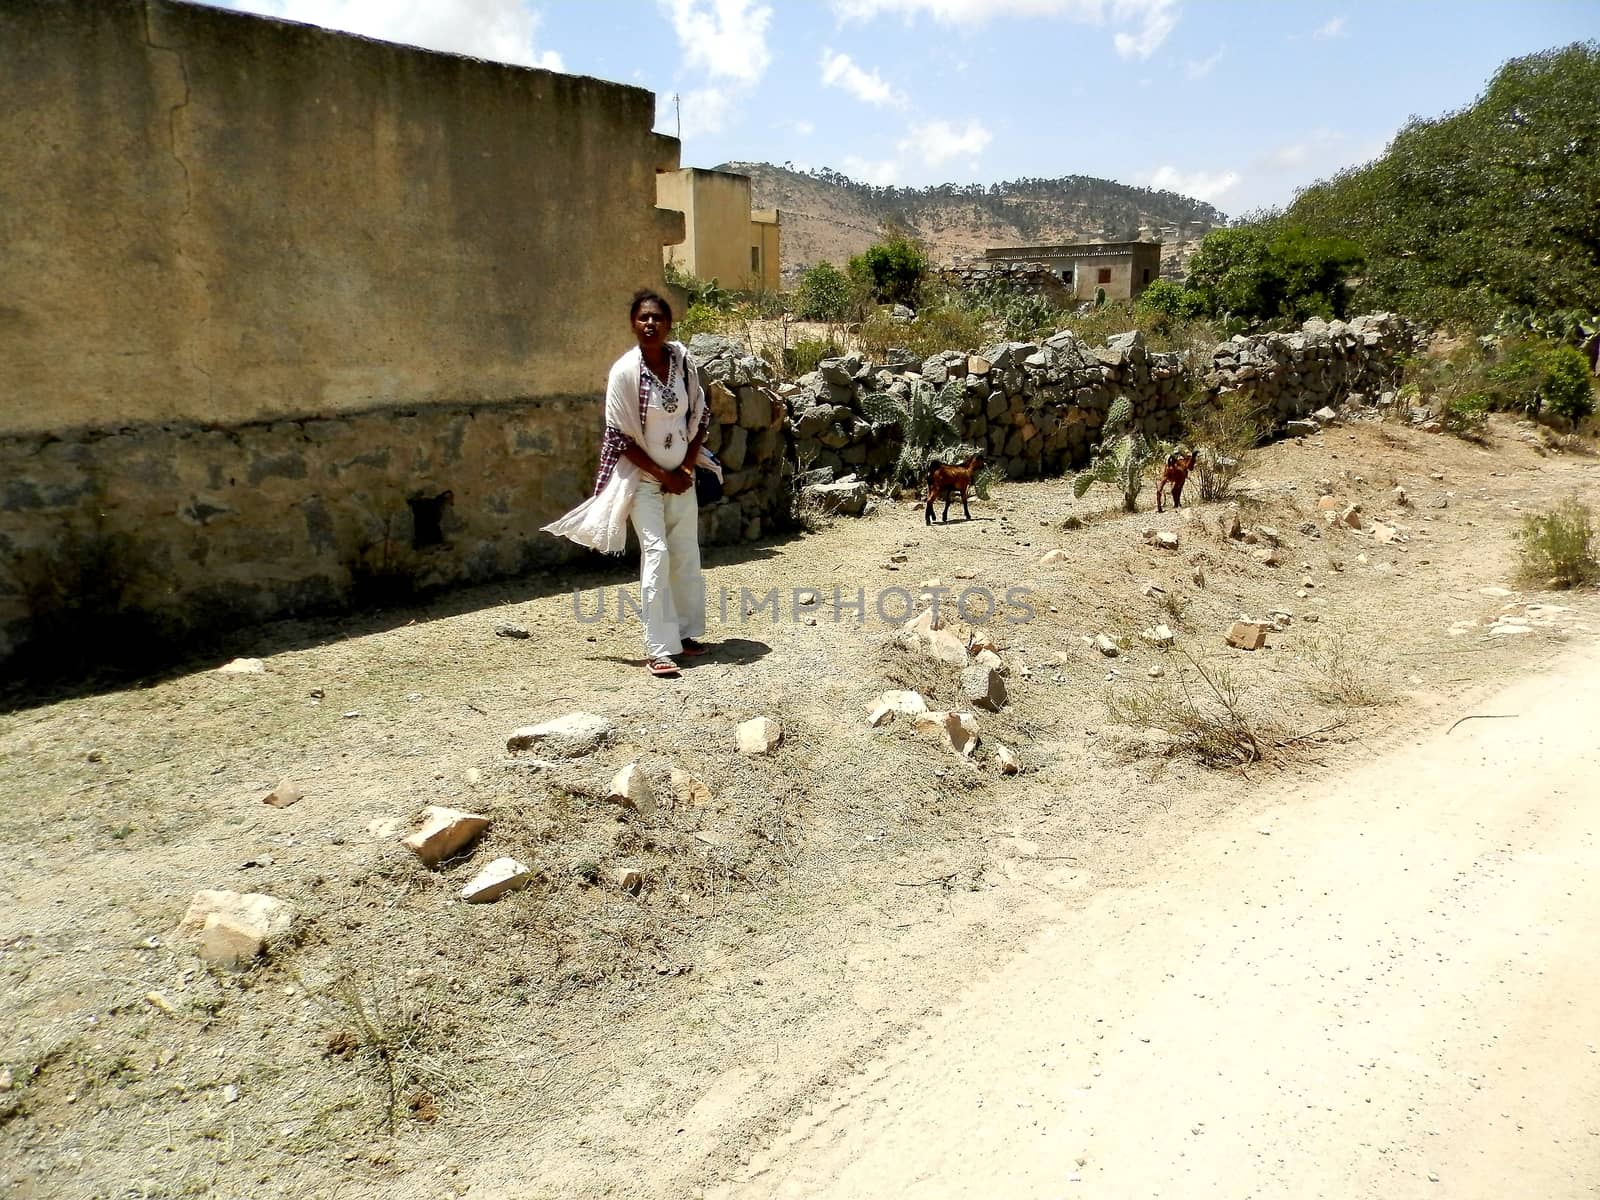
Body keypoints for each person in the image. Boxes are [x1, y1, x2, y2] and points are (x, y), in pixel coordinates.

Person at [542, 290, 720, 678]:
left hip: (681, 479)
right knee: (656, 554)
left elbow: (699, 418)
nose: (650, 324)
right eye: (643, 318)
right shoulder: (625, 372)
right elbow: (619, 438)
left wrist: (686, 469)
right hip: (643, 480)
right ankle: (659, 648)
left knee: (686, 553)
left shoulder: (684, 364)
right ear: (633, 324)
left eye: (657, 317)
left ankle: (686, 635)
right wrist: (664, 475)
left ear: (669, 324)